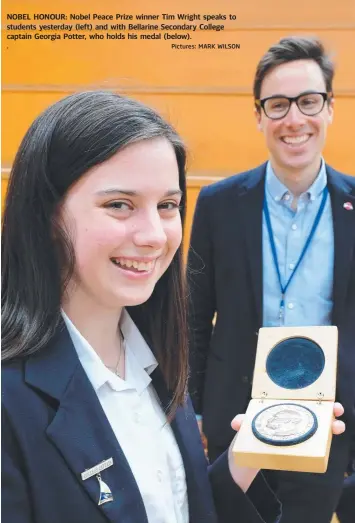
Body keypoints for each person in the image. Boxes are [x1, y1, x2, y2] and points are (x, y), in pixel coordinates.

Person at [1, 90, 286, 523]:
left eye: (168, 205)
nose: (155, 234)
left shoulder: (157, 359)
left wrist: (243, 460)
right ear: (46, 214)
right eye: (120, 205)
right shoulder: (10, 400)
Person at [187, 36, 355, 523]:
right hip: (235, 420)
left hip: (330, 419)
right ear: (259, 115)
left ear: (329, 109)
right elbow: (195, 316)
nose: (294, 119)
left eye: (308, 101)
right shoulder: (219, 204)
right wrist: (194, 412)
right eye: (277, 105)